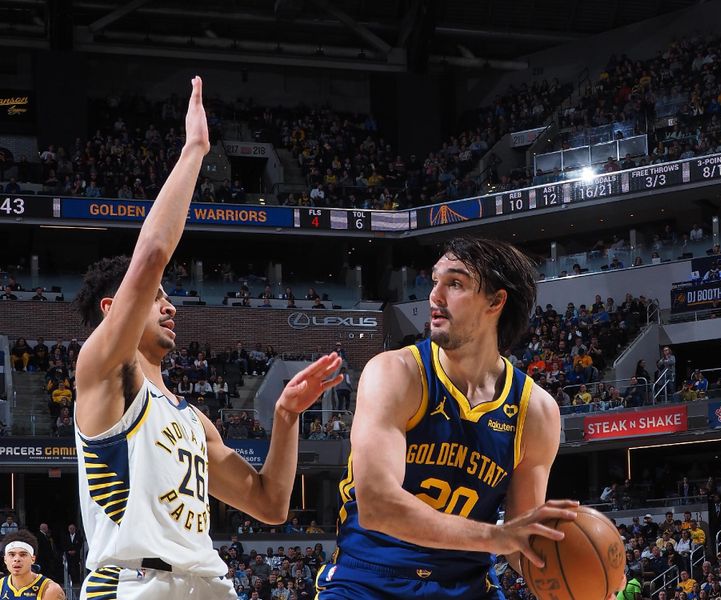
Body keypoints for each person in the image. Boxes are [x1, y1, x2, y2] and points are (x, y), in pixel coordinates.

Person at [73, 78, 343, 600]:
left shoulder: (194, 418)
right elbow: (151, 253)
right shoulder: (104, 373)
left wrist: (286, 419)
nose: (170, 304)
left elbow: (269, 504)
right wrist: (195, 150)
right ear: (115, 309)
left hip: (209, 584)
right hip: (134, 584)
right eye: (157, 298)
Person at [316, 237, 624, 599]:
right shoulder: (396, 373)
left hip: (467, 586)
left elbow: (515, 545)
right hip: (367, 581)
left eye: (455, 284)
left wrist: (575, 570)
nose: (434, 296)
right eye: (435, 281)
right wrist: (496, 537)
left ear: (496, 301)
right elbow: (377, 506)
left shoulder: (535, 410)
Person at [1, 530, 65, 599]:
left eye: (23, 555)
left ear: (33, 559)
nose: (17, 559)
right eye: (12, 555)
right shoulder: (1, 586)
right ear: (5, 559)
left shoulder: (50, 589)